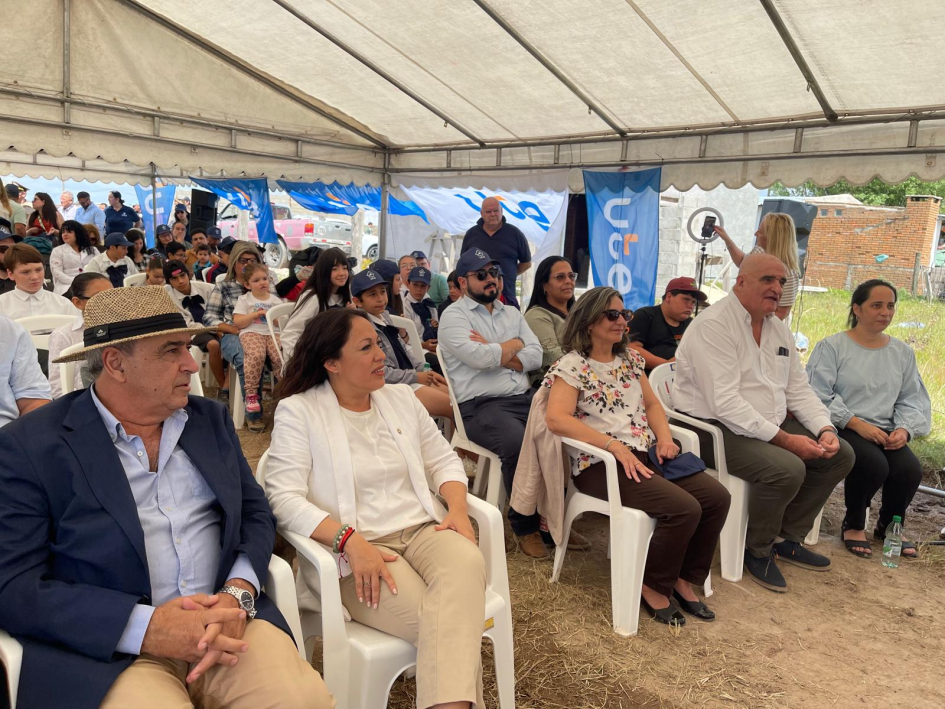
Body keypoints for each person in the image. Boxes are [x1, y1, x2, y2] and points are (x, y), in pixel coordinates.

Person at [0, 286, 334, 709]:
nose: (190, 363)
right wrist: (147, 626)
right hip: (110, 652)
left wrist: (240, 591)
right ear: (116, 363)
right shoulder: (30, 447)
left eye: (189, 347)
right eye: (171, 350)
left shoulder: (207, 420)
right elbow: (13, 586)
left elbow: (253, 512)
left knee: (299, 701)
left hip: (227, 623)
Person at [266, 308, 486, 709]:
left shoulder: (400, 398)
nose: (381, 355)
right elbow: (283, 497)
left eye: (379, 344)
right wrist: (348, 540)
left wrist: (456, 508)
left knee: (468, 564)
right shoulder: (300, 411)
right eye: (365, 347)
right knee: (447, 622)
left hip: (425, 530)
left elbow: (444, 461)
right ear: (331, 362)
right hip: (357, 552)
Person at [544, 287, 730, 624]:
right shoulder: (572, 365)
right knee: (683, 508)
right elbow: (557, 418)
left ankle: (682, 578)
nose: (621, 321)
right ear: (588, 321)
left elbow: (653, 404)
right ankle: (653, 584)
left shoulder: (630, 360)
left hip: (645, 455)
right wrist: (612, 446)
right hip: (601, 464)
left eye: (624, 315)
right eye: (612, 315)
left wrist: (665, 437)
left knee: (717, 497)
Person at [672, 254, 855, 593]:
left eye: (782, 282)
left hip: (764, 423)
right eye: (768, 280)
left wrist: (824, 429)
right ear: (740, 282)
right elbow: (724, 403)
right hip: (708, 427)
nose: (777, 288)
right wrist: (784, 440)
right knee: (787, 467)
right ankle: (756, 549)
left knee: (842, 453)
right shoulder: (714, 325)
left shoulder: (777, 329)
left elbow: (798, 389)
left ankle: (786, 537)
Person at [439, 248, 561, 558]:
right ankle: (525, 525)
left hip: (523, 398)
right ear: (463, 282)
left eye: (494, 273)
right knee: (519, 443)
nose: (491, 279)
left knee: (565, 430)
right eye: (481, 275)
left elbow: (535, 357)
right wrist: (513, 345)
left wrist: (500, 353)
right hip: (480, 405)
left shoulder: (511, 312)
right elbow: (479, 359)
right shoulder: (454, 316)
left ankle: (554, 520)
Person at [807, 279, 932, 559]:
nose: (885, 312)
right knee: (873, 465)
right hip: (842, 425)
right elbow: (817, 393)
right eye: (876, 305)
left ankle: (889, 527)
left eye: (890, 306)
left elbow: (911, 397)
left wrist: (904, 429)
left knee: (908, 469)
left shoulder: (902, 353)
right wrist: (855, 422)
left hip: (885, 429)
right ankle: (853, 524)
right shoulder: (832, 347)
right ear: (857, 309)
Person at [351, 269, 453, 420]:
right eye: (372, 294)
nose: (380, 299)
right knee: (451, 405)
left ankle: (451, 441)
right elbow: (380, 371)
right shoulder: (362, 327)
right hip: (393, 387)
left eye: (382, 292)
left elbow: (404, 351)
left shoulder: (384, 316)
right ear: (357, 301)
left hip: (408, 378)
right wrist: (416, 377)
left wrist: (424, 370)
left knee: (458, 398)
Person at [203, 241, 268, 431]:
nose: (247, 264)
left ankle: (286, 404)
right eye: (242, 260)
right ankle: (253, 413)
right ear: (234, 263)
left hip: (263, 333)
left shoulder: (265, 285)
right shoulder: (224, 287)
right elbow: (209, 317)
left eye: (253, 260)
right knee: (245, 357)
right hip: (234, 334)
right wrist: (230, 329)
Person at [714, 213, 801, 320]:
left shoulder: (789, 273)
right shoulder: (759, 251)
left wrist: (754, 325)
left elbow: (782, 312)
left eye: (760, 231)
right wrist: (727, 240)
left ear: (772, 237)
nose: (756, 234)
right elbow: (743, 262)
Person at [47, 272, 113, 398]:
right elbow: (57, 386)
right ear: (78, 302)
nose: (108, 302)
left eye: (111, 296)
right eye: (98, 297)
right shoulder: (64, 335)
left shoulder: (123, 328)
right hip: (80, 400)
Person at [281, 247, 351, 363]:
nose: (342, 273)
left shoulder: (346, 297)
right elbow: (291, 333)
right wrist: (300, 362)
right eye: (335, 269)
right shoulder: (314, 297)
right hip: (311, 360)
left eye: (345, 268)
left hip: (337, 358)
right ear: (324, 271)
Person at [164, 259, 226, 389]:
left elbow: (221, 309)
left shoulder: (207, 288)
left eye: (182, 276)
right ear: (169, 282)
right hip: (193, 333)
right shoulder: (169, 299)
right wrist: (215, 330)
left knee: (233, 341)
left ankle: (230, 381)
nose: (180, 281)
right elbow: (187, 325)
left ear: (189, 274)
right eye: (174, 279)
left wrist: (221, 327)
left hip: (217, 325)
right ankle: (223, 386)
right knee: (213, 345)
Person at [233, 263, 284, 418]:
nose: (262, 282)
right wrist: (254, 315)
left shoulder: (275, 300)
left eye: (264, 278)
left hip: (272, 333)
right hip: (252, 332)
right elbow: (238, 322)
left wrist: (273, 317)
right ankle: (251, 394)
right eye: (256, 280)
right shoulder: (244, 299)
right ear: (247, 285)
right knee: (256, 355)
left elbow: (282, 322)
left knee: (280, 356)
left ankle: (285, 390)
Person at [629, 276, 706, 374]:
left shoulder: (692, 324)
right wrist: (667, 366)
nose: (690, 306)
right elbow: (631, 349)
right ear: (669, 297)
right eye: (686, 299)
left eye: (693, 302)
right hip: (646, 380)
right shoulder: (645, 316)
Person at [461, 196, 531, 303]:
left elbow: (526, 263)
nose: (493, 214)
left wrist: (508, 273)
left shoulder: (515, 234)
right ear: (481, 213)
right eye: (488, 211)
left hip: (506, 295)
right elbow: (464, 265)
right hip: (477, 297)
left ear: (502, 211)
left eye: (496, 211)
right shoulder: (471, 234)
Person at [524, 256, 576, 383]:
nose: (568, 281)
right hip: (554, 385)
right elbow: (556, 359)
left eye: (571, 276)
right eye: (560, 277)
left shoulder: (579, 314)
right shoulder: (537, 316)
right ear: (544, 285)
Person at [0, 242, 78, 319]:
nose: (34, 277)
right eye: (25, 272)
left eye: (38, 270)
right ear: (11, 274)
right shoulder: (2, 306)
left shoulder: (63, 304)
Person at [50, 219, 98, 295]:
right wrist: (76, 282)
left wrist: (89, 282)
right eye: (63, 232)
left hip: (90, 283)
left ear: (78, 233)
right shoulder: (57, 251)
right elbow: (57, 273)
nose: (65, 234)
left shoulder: (93, 250)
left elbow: (98, 268)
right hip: (66, 286)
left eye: (69, 232)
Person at [403, 266, 440, 355]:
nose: (419, 289)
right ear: (408, 284)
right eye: (415, 285)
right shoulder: (404, 306)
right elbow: (404, 338)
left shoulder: (429, 304)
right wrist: (423, 345)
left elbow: (436, 326)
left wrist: (435, 326)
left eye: (423, 286)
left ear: (428, 288)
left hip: (432, 345)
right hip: (412, 349)